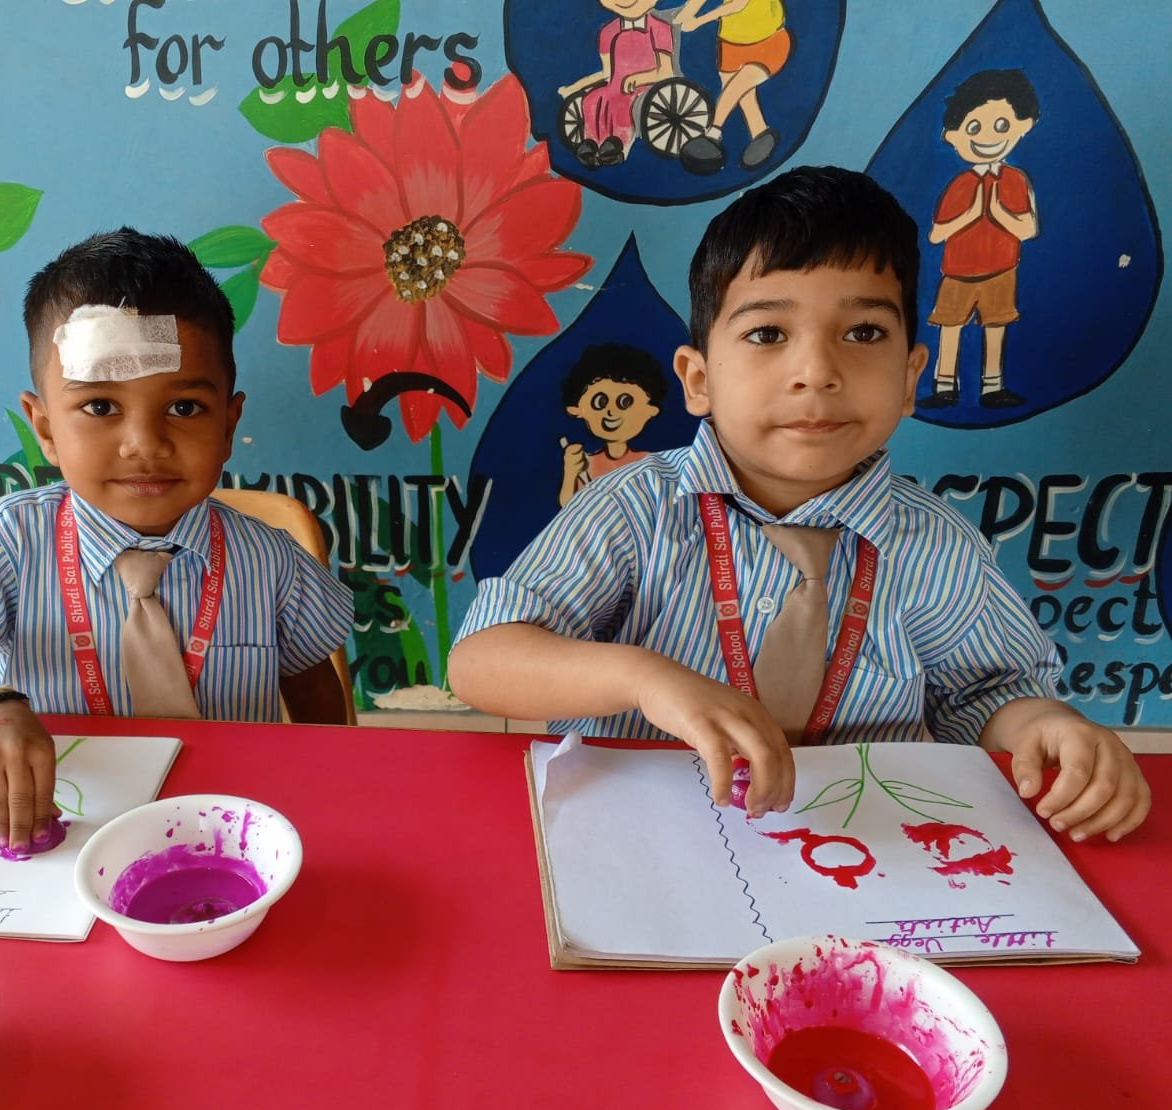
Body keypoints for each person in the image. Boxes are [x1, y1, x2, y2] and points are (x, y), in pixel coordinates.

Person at [449, 166, 1148, 843]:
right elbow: (482, 661)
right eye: (768, 334)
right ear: (698, 379)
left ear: (911, 377)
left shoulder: (939, 545)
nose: (817, 372)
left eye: (864, 332)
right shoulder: (635, 508)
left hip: (872, 848)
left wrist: (1047, 727)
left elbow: (988, 695)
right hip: (650, 839)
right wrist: (642, 677)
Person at [0, 229, 354, 851]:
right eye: (100, 406)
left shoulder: (273, 562)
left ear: (229, 424)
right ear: (45, 427)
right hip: (68, 824)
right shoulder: (7, 542)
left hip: (235, 827)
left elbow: (314, 691)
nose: (144, 444)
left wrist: (333, 788)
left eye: (184, 408)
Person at [920, 68, 1040, 410]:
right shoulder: (960, 185)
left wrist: (998, 212)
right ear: (952, 136)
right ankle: (945, 385)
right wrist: (971, 213)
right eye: (974, 128)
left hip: (1001, 269)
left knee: (996, 324)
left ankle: (993, 385)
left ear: (1023, 125)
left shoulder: (1016, 180)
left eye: (1001, 125)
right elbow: (937, 233)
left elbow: (1027, 229)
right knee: (950, 326)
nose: (988, 136)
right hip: (958, 272)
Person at [676, 0, 792, 174]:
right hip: (731, 45)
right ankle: (760, 133)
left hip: (768, 41)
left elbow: (738, 4)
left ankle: (713, 132)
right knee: (743, 95)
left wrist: (698, 21)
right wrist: (678, 19)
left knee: (735, 89)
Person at [559, 0, 677, 168]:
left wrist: (639, 78)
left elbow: (666, 72)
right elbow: (606, 73)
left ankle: (619, 144)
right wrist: (575, 87)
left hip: (646, 87)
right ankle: (592, 142)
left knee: (623, 102)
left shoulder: (659, 28)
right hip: (615, 86)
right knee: (592, 99)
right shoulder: (608, 32)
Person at [558, 342, 666, 506]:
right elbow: (568, 507)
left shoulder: (650, 463)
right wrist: (570, 474)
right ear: (576, 409)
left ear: (651, 410)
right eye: (600, 402)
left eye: (625, 402)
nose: (611, 412)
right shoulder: (585, 464)